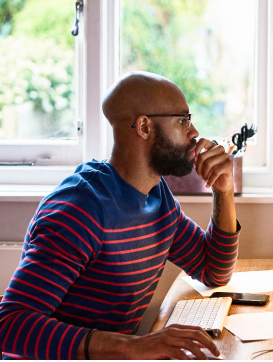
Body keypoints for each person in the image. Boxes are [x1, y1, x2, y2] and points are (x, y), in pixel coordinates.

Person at [0, 72, 240, 360]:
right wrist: (133, 346)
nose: (194, 134)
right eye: (183, 121)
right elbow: (10, 324)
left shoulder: (157, 197)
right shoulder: (80, 209)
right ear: (143, 127)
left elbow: (213, 270)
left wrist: (224, 190)